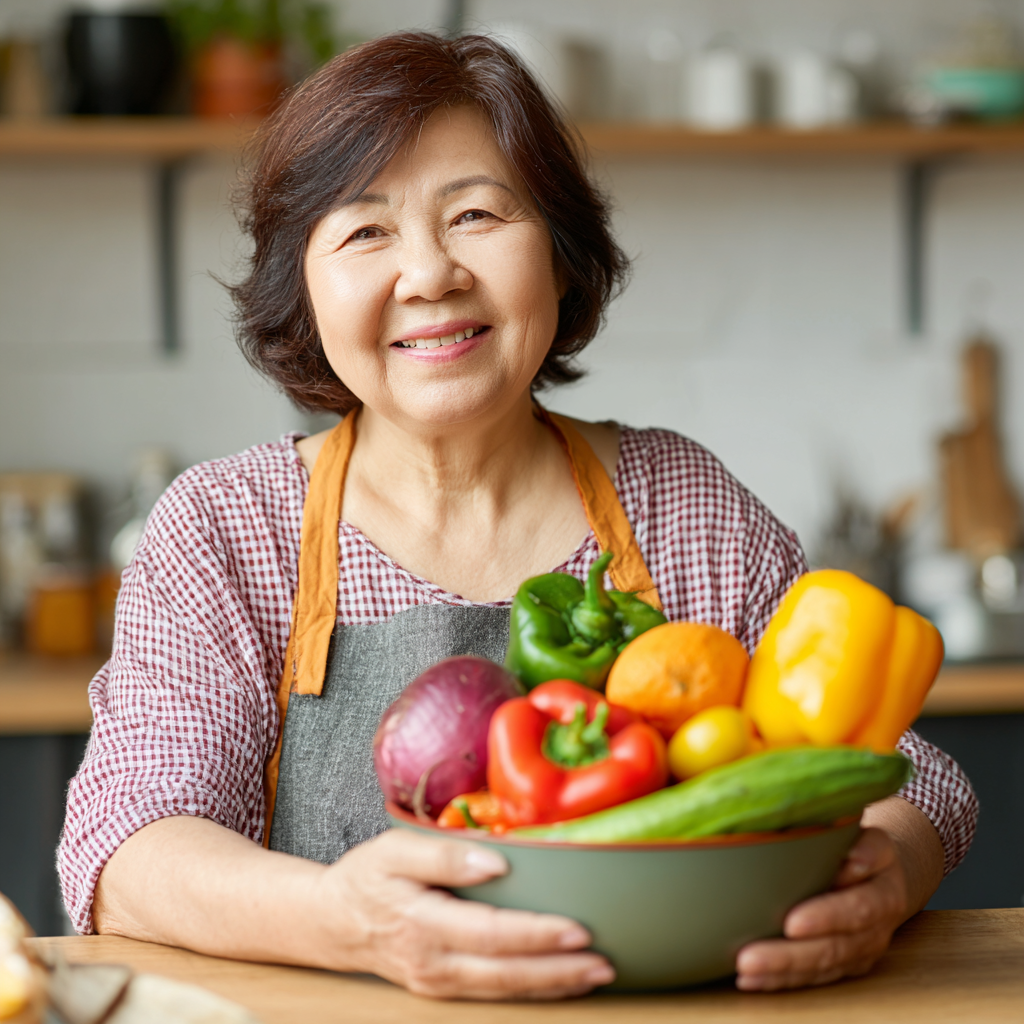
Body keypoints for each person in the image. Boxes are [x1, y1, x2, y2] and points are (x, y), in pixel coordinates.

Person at [59, 32, 977, 1001]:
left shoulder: (682, 507)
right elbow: (126, 846)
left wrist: (888, 879)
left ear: (560, 252)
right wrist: (353, 923)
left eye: (477, 213)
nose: (429, 274)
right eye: (365, 232)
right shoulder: (226, 527)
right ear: (305, 287)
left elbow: (907, 778)